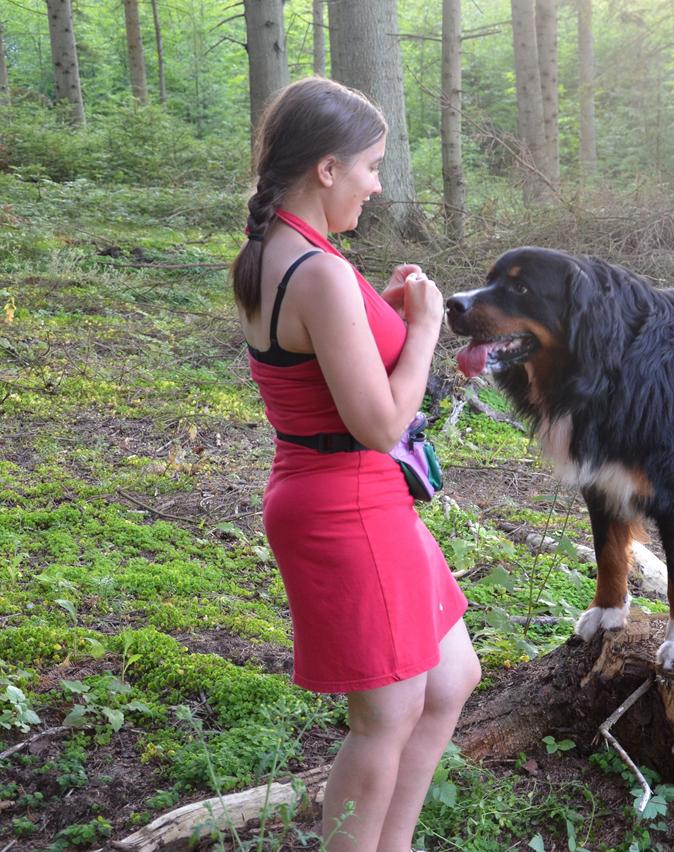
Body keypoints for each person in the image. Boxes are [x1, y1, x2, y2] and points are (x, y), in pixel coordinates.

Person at [229, 77, 480, 852]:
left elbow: (326, 356)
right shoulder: (319, 272)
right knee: (389, 713)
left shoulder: (285, 251)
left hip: (351, 493)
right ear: (327, 168)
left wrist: (386, 313)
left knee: (450, 678)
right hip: (346, 503)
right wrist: (427, 328)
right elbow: (379, 424)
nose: (376, 185)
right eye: (371, 166)